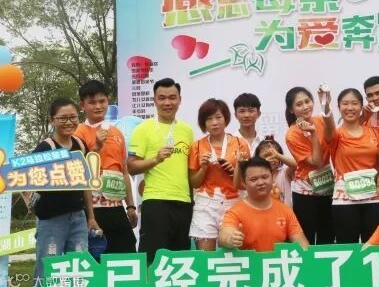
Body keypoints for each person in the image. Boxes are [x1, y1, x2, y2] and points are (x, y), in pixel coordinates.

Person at [31, 99, 101, 286]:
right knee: (47, 268)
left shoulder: (80, 145)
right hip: (51, 219)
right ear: (52, 120)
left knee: (79, 267)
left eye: (73, 117)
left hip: (77, 218)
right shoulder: (44, 149)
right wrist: (32, 205)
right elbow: (26, 182)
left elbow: (85, 184)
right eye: (63, 118)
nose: (68, 122)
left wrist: (91, 217)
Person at [127, 78, 194, 263]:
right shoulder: (143, 129)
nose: (167, 102)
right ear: (154, 100)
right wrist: (156, 159)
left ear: (180, 100)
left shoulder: (187, 131)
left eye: (172, 97)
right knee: (153, 260)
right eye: (162, 98)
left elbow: (190, 171)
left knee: (181, 260)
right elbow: (131, 167)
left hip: (183, 202)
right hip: (156, 201)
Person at [75, 80, 137, 253]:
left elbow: (124, 171)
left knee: (126, 252)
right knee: (96, 256)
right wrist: (96, 147)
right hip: (92, 208)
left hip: (116, 206)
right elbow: (77, 171)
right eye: (92, 102)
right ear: (82, 105)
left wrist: (130, 206)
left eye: (102, 101)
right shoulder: (78, 133)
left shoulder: (117, 133)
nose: (98, 106)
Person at [317, 87, 379, 243]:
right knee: (347, 247)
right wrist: (325, 104)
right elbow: (328, 124)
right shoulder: (336, 134)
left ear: (361, 107)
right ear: (339, 107)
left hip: (373, 199)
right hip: (345, 199)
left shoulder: (374, 132)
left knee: (374, 247)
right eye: (345, 104)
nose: (350, 108)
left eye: (354, 103)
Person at [188, 98, 249, 250]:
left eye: (218, 117)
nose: (214, 123)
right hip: (206, 203)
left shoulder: (241, 144)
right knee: (205, 255)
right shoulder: (197, 146)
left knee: (234, 251)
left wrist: (234, 171)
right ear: (203, 123)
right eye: (209, 119)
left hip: (234, 202)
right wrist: (203, 168)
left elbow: (246, 182)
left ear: (226, 118)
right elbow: (194, 183)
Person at [219, 157, 309, 251]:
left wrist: (306, 251)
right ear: (244, 183)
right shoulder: (236, 211)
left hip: (277, 260)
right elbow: (224, 235)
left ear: (272, 178)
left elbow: (303, 245)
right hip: (249, 260)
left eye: (265, 177)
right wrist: (230, 238)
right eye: (254, 179)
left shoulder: (285, 210)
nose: (260, 183)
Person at [284, 86, 334, 244]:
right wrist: (313, 134)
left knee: (327, 237)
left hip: (327, 187)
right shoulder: (292, 134)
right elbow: (317, 162)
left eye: (307, 101)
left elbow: (333, 135)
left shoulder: (319, 120)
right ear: (291, 110)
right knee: (307, 239)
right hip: (305, 192)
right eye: (299, 104)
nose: (305, 106)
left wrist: (325, 104)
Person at [247, 139, 296, 206]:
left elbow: (295, 165)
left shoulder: (284, 173)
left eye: (274, 155)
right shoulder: (256, 177)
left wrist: (278, 155)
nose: (270, 159)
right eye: (266, 156)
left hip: (284, 212)